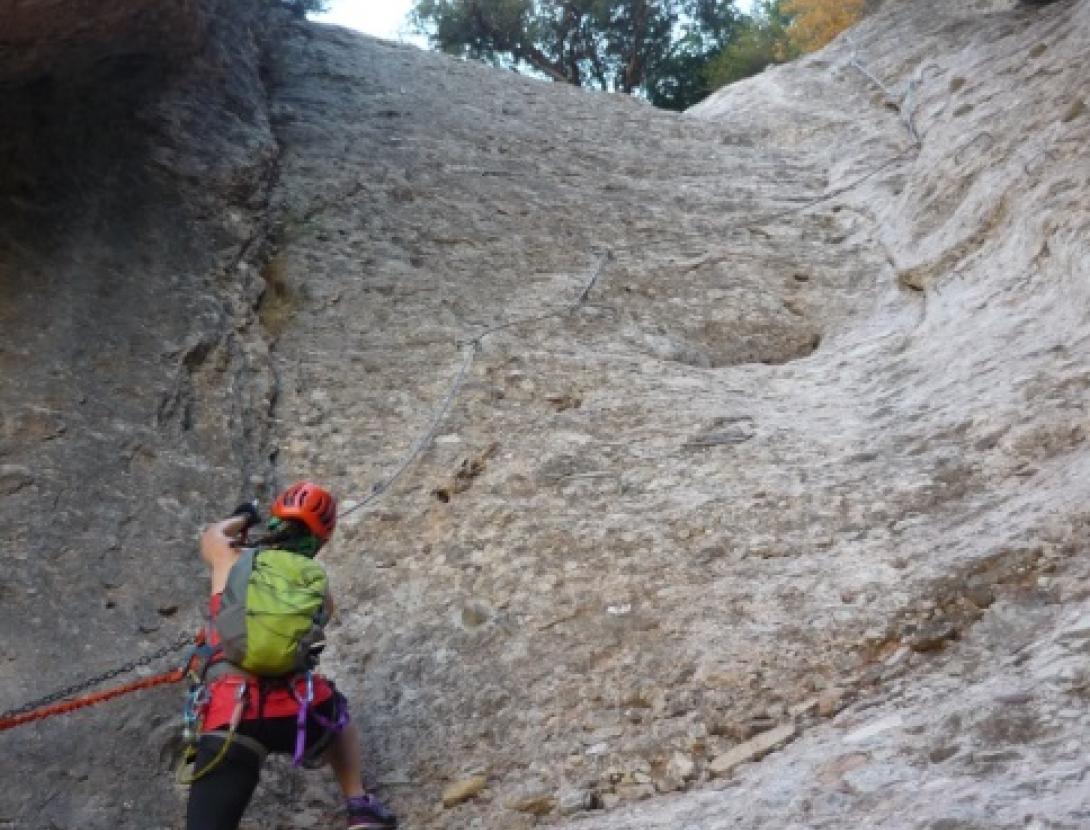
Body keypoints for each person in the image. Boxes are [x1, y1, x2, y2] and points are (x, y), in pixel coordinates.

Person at [184, 481, 397, 830]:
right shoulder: (318, 586)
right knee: (338, 714)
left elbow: (212, 536)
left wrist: (244, 517)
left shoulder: (231, 560)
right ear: (322, 539)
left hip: (232, 715)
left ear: (275, 520)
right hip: (297, 711)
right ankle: (358, 804)